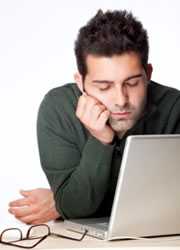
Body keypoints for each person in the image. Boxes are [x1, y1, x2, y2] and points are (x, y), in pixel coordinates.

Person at [8, 9, 180, 225]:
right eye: (104, 86)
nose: (121, 100)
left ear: (148, 74)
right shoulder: (57, 108)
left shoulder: (175, 106)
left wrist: (58, 202)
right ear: (81, 83)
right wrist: (100, 140)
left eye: (132, 82)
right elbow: (76, 208)